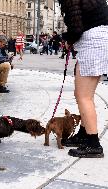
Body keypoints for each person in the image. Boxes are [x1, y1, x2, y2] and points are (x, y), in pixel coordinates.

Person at [59, 0, 108, 158]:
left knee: (83, 96)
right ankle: (84, 134)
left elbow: (76, 27)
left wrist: (68, 40)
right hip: (100, 39)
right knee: (85, 95)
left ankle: (93, 144)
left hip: (92, 41)